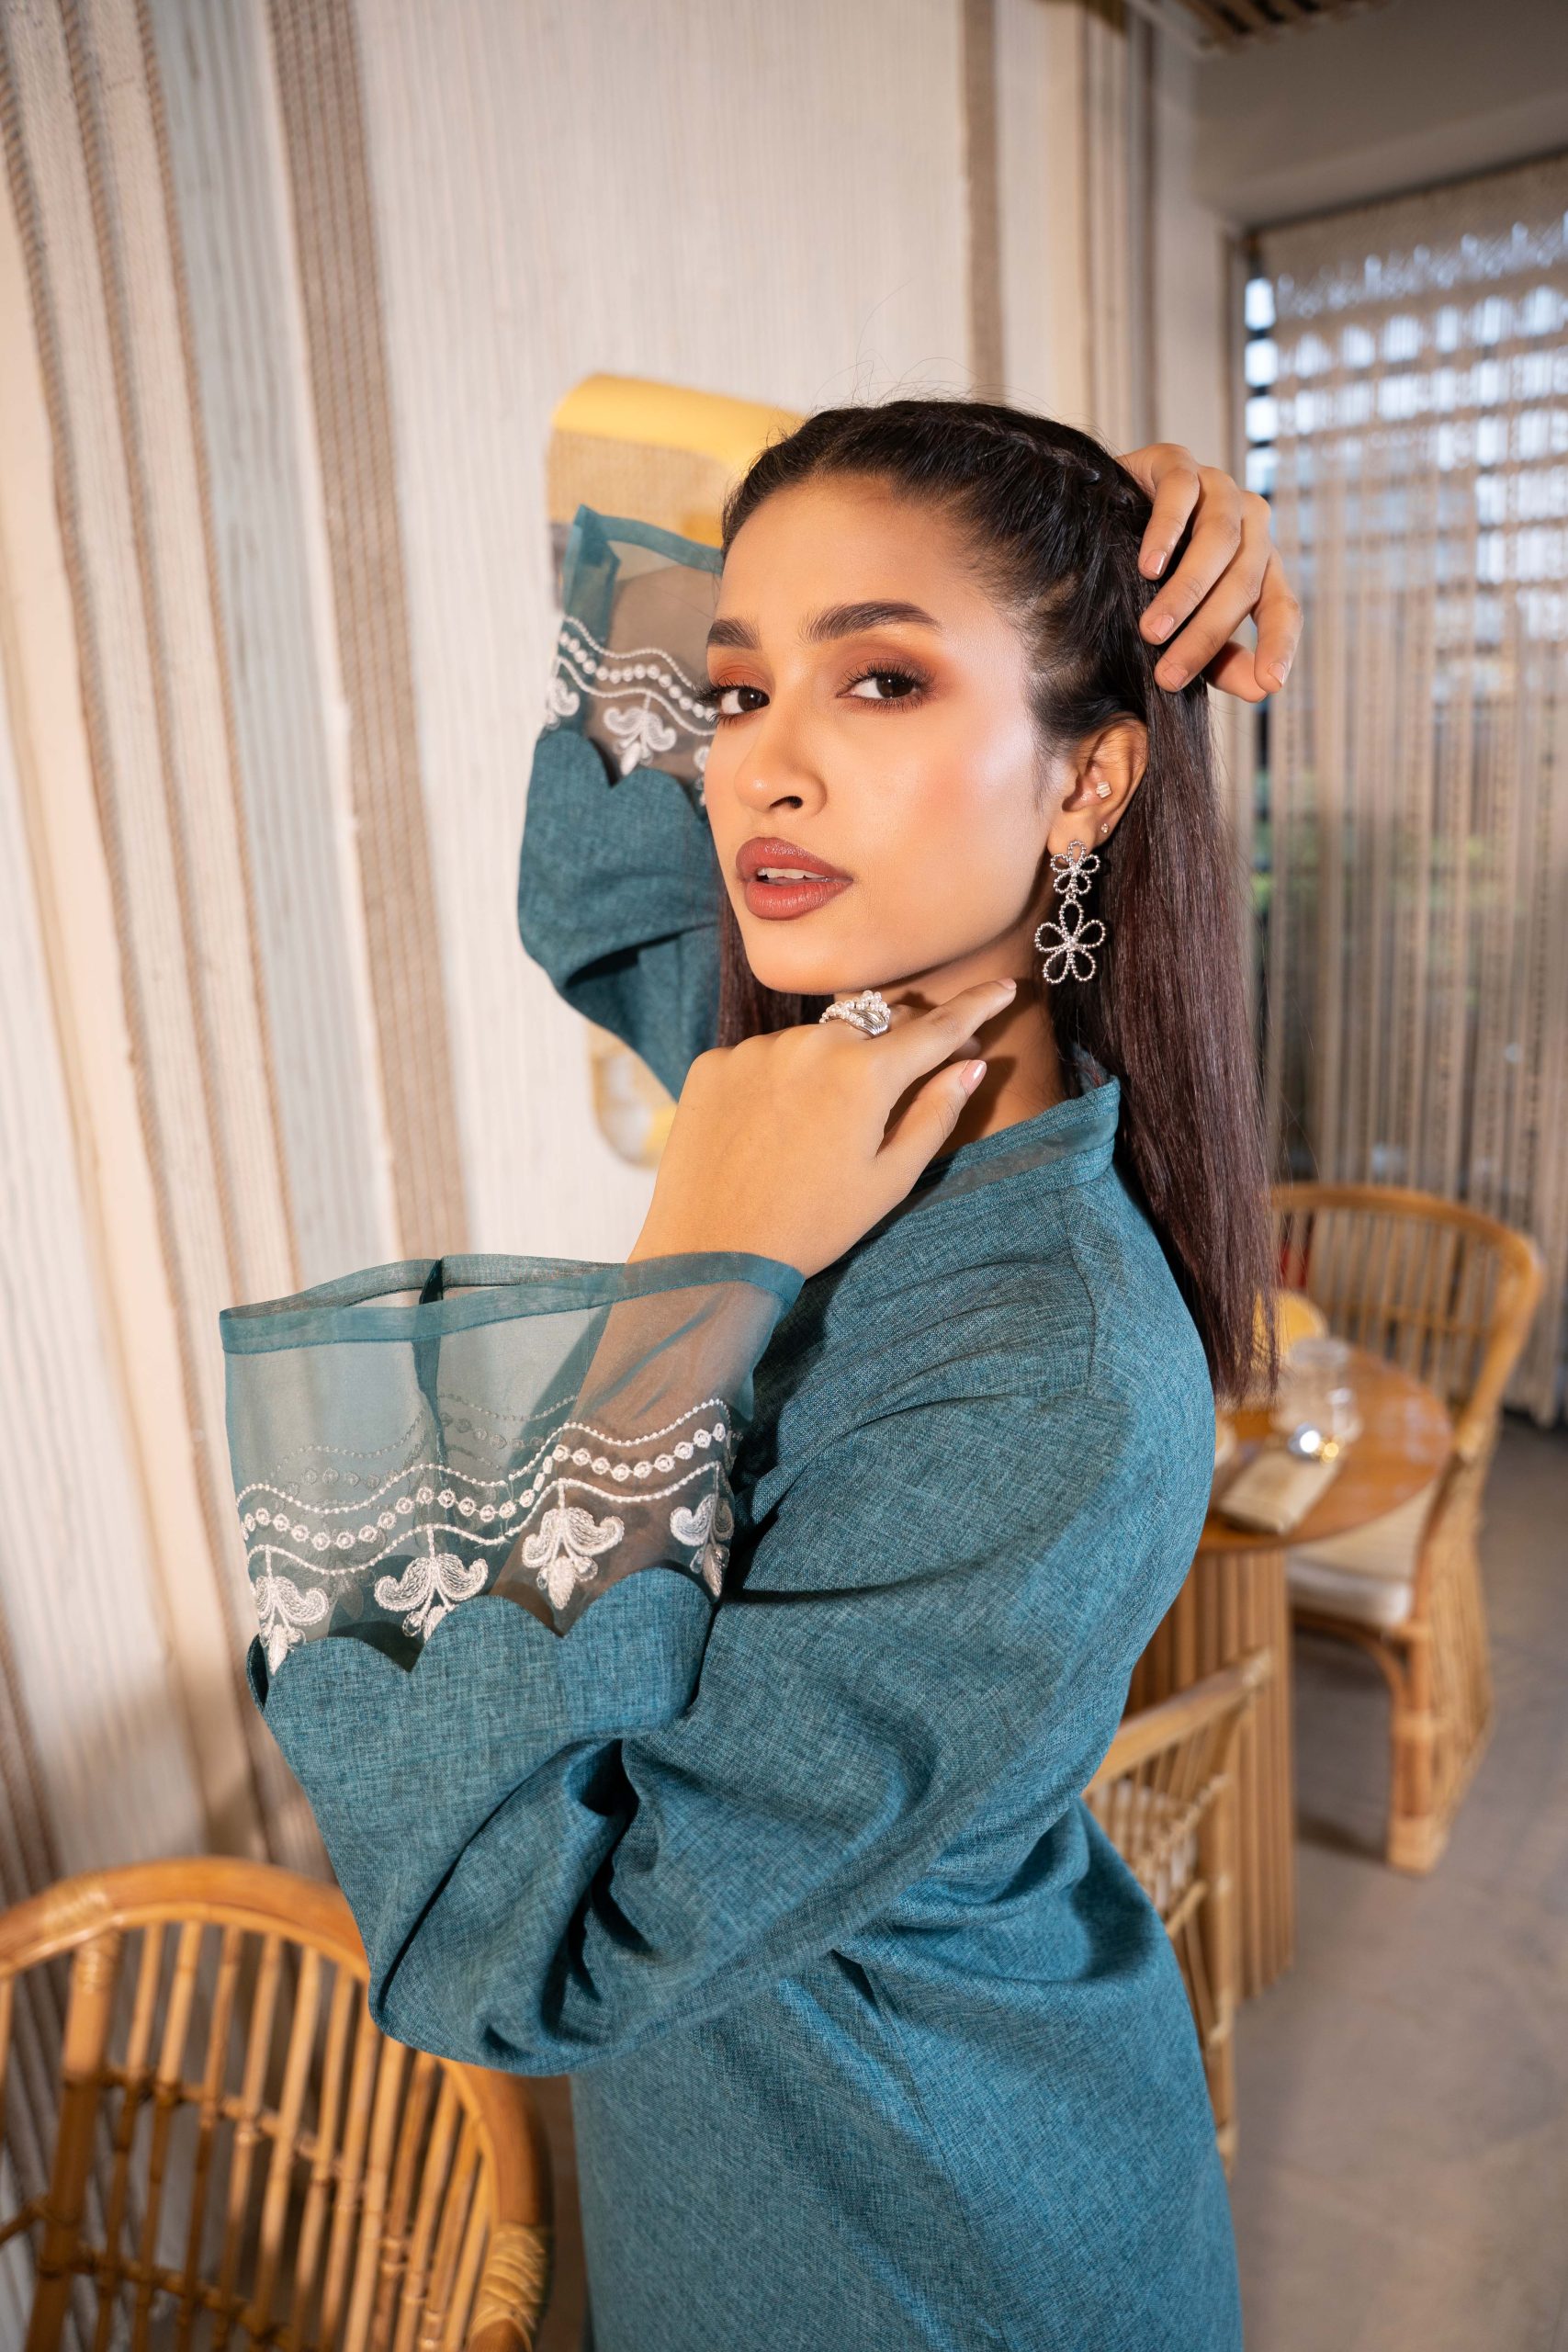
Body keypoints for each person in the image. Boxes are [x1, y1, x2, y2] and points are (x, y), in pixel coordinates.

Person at [221, 404, 1296, 2352]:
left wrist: (697, 1265)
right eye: (737, 688)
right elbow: (602, 878)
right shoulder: (834, 1076)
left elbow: (530, 1936)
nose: (757, 767)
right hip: (753, 2149)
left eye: (882, 678)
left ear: (1086, 776)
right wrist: (1082, 517)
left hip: (908, 2230)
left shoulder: (1047, 1369)